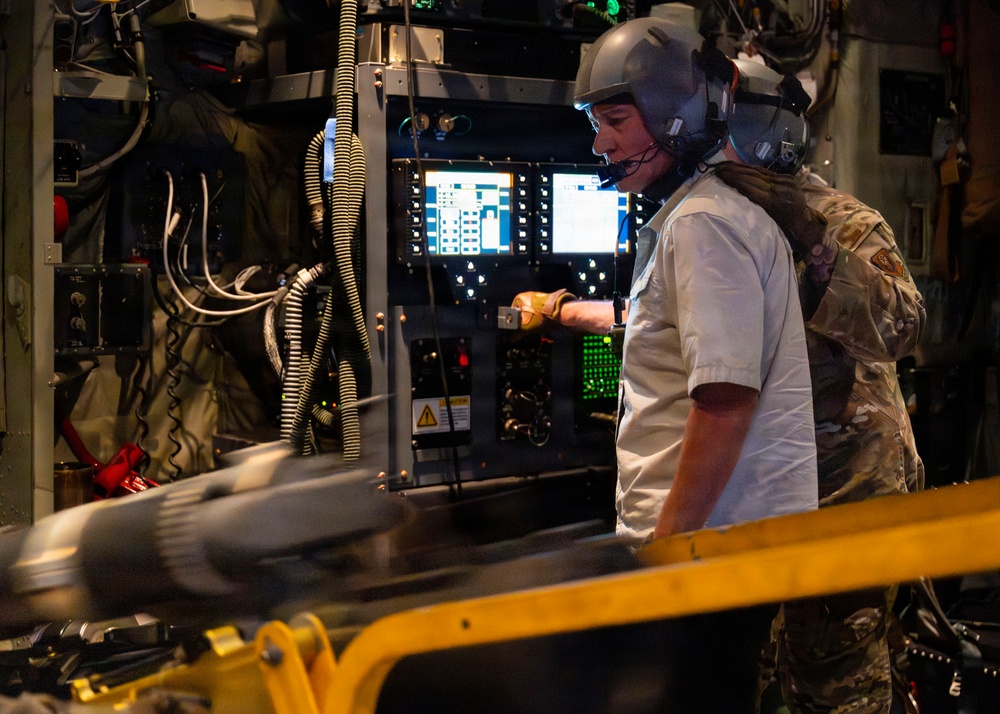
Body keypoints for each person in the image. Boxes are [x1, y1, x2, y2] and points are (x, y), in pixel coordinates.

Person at [519, 19, 819, 711]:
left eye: (617, 119)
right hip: (717, 550)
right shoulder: (701, 217)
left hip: (707, 556)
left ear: (675, 113)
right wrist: (567, 311)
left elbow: (724, 403)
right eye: (597, 124)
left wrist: (664, 557)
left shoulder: (704, 226)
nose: (602, 143)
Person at [714, 60, 926, 714]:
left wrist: (812, 240)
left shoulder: (839, 221)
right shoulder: (723, 227)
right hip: (784, 499)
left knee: (838, 686)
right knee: (789, 676)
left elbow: (903, 323)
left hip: (850, 492)